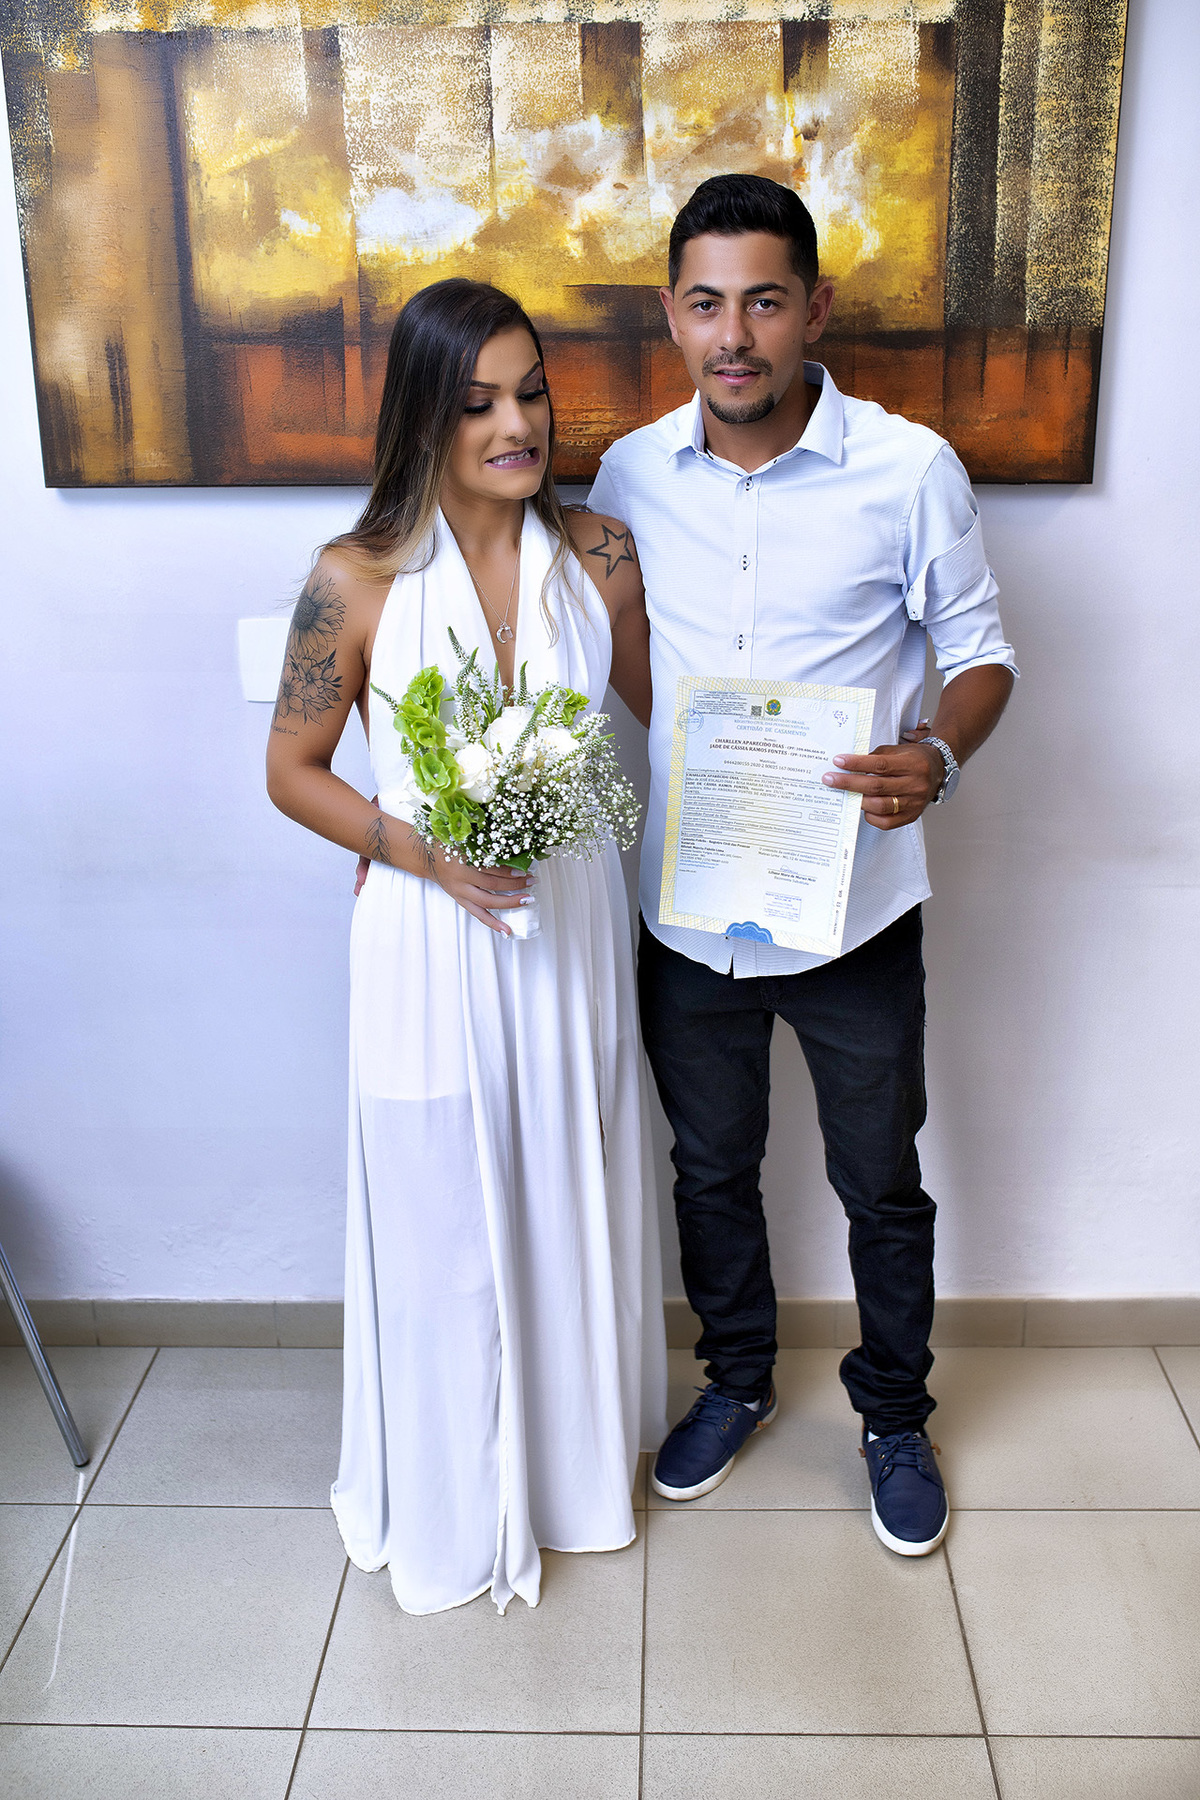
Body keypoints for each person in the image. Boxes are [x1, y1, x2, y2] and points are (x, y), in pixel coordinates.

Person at [588, 173, 1017, 1556]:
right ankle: (736, 1381)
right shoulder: (629, 477)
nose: (735, 336)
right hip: (691, 908)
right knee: (710, 1169)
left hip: (856, 913)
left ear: (814, 309)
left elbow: (982, 656)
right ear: (672, 314)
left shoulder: (909, 469)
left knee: (879, 1179)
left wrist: (936, 754)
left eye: (764, 302)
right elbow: (630, 662)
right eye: (707, 304)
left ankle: (893, 1413)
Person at [266, 278, 667, 1615]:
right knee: (441, 1211)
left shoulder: (603, 556)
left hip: (570, 929)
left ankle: (567, 1480)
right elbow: (290, 771)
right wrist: (417, 849)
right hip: (426, 936)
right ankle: (446, 1495)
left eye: (532, 393)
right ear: (423, 417)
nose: (516, 425)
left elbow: (675, 718)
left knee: (567, 1180)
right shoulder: (352, 578)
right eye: (479, 401)